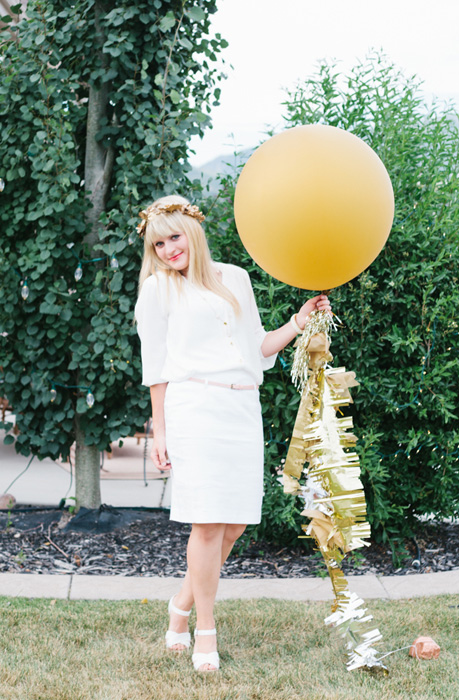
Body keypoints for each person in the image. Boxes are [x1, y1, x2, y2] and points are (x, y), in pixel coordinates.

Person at [134, 195, 331, 672]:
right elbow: (156, 367)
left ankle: (180, 601)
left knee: (235, 522)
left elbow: (257, 349)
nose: (167, 249)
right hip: (193, 408)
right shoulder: (157, 290)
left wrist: (297, 322)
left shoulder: (236, 278)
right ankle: (204, 629)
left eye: (174, 237)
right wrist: (159, 430)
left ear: (194, 233)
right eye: (158, 243)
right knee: (206, 522)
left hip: (241, 408)